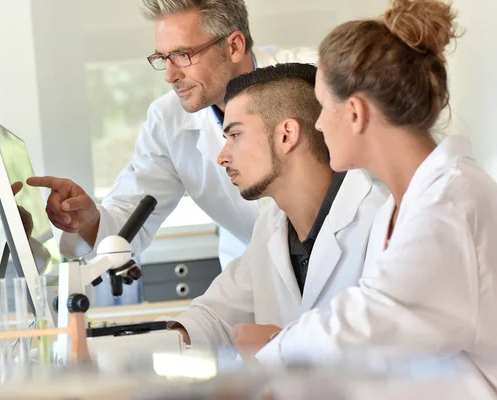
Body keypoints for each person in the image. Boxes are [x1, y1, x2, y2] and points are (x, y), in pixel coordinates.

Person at [255, 0, 497, 390]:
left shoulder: (448, 206)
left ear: (354, 113)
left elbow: (368, 323)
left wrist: (272, 357)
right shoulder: (400, 207)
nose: (316, 123)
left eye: (321, 106)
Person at [27, 0, 317, 268]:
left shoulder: (316, 81)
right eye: (162, 57)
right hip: (255, 278)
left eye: (182, 55)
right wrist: (89, 220)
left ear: (234, 46)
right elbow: (129, 219)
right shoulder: (168, 121)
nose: (169, 75)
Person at [165, 63, 386, 358]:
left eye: (235, 135)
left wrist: (278, 342)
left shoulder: (379, 221)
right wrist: (155, 343)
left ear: (286, 135)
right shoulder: (271, 225)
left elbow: (390, 351)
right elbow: (217, 316)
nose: (222, 157)